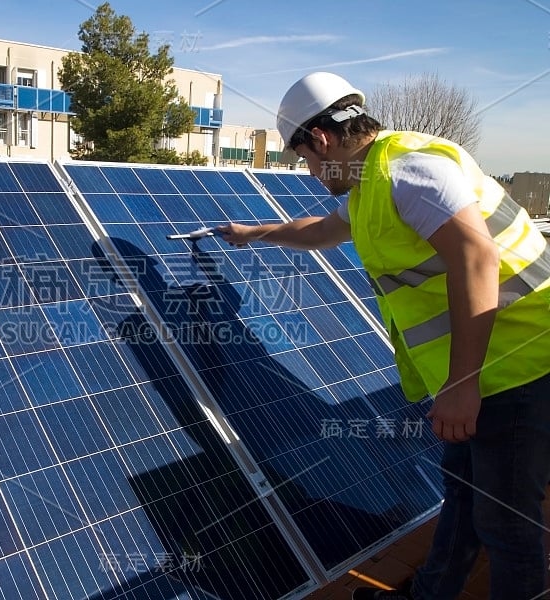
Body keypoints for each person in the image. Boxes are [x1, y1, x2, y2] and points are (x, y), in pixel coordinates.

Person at [218, 72, 550, 600]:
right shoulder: (372, 182)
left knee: (507, 527)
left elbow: (476, 257)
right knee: (463, 501)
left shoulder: (407, 171)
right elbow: (324, 231)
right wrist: (252, 234)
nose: (307, 170)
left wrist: (462, 383)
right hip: (488, 368)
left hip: (517, 365)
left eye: (303, 157)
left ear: (321, 139)